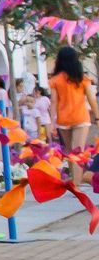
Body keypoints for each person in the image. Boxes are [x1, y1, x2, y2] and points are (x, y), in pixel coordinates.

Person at [50, 46, 97, 183]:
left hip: (63, 119)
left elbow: (53, 102)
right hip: (80, 118)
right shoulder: (82, 78)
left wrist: (53, 123)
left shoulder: (55, 80)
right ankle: (76, 183)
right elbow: (91, 99)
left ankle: (74, 180)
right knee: (78, 151)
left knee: (70, 151)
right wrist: (98, 117)